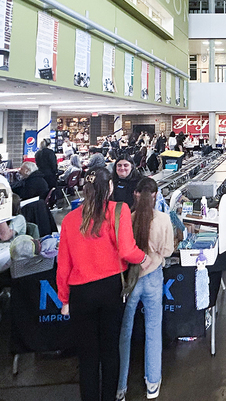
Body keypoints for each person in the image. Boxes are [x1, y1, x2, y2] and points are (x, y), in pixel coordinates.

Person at [57, 168, 150, 401]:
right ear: (109, 187)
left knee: (87, 355)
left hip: (81, 293)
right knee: (110, 350)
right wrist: (143, 258)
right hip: (111, 290)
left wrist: (64, 299)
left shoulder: (69, 220)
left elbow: (63, 265)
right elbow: (127, 250)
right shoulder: (119, 210)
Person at [117, 177, 175, 400]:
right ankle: (152, 383)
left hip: (130, 280)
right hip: (153, 277)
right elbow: (168, 251)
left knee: (125, 333)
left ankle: (120, 386)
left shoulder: (126, 220)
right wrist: (157, 254)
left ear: (136, 194)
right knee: (153, 331)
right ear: (156, 196)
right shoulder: (163, 219)